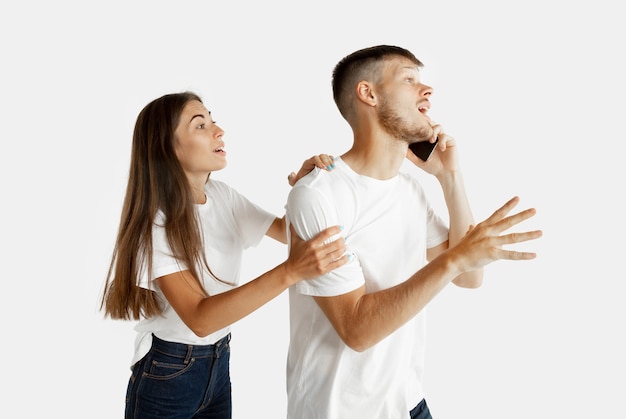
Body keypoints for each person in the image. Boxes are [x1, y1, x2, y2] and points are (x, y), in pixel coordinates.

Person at [284, 45, 543, 419]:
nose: (427, 91)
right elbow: (356, 330)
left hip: (407, 404)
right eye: (409, 79)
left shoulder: (409, 191)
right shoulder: (317, 194)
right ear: (368, 94)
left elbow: (469, 277)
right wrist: (455, 258)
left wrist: (449, 178)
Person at [99, 91, 347, 419]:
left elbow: (289, 230)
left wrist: (304, 185)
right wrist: (290, 272)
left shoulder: (222, 195)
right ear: (168, 147)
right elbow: (201, 320)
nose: (219, 131)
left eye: (213, 121)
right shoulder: (156, 223)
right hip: (169, 372)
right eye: (200, 125)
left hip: (218, 363)